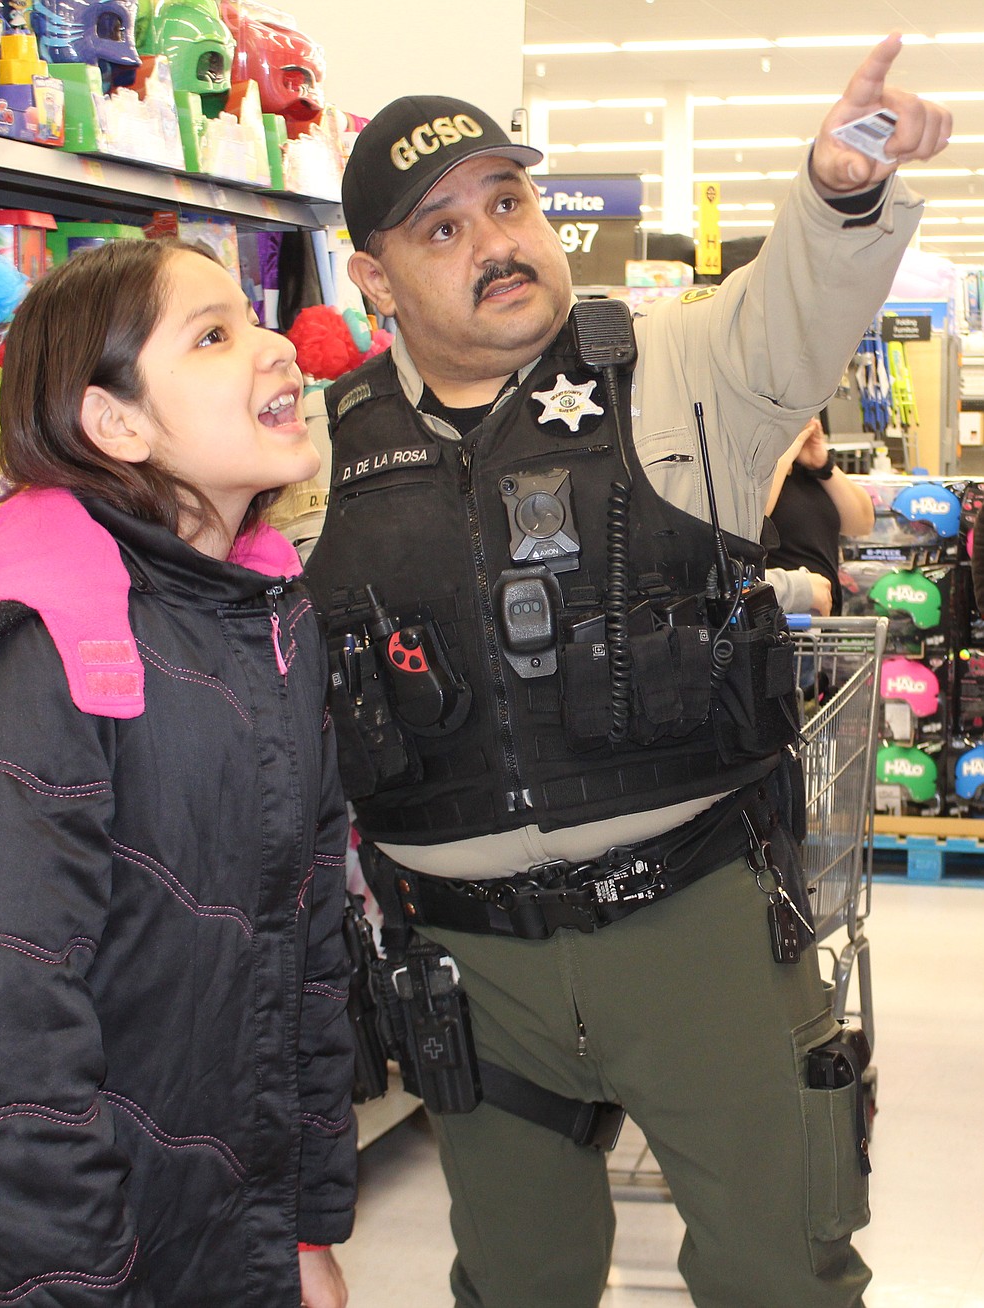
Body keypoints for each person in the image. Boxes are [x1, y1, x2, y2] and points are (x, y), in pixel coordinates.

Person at [295, 34, 952, 1308]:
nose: (497, 240)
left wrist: (841, 191)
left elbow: (799, 304)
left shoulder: (678, 374)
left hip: (698, 929)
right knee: (518, 1276)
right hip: (467, 965)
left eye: (508, 200)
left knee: (784, 1273)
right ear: (374, 277)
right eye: (443, 229)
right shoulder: (316, 452)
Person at [0, 239, 355, 1308]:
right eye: (214, 335)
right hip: (14, 1269)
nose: (277, 348)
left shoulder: (261, 615)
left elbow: (305, 957)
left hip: (208, 1233)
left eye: (253, 320)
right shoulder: (37, 651)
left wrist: (302, 1229)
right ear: (118, 425)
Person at [764, 413, 876, 616]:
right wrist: (786, 452)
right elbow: (751, 519)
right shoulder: (757, 473)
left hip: (821, 629)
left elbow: (863, 522)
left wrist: (822, 464)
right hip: (781, 618)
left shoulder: (807, 470)